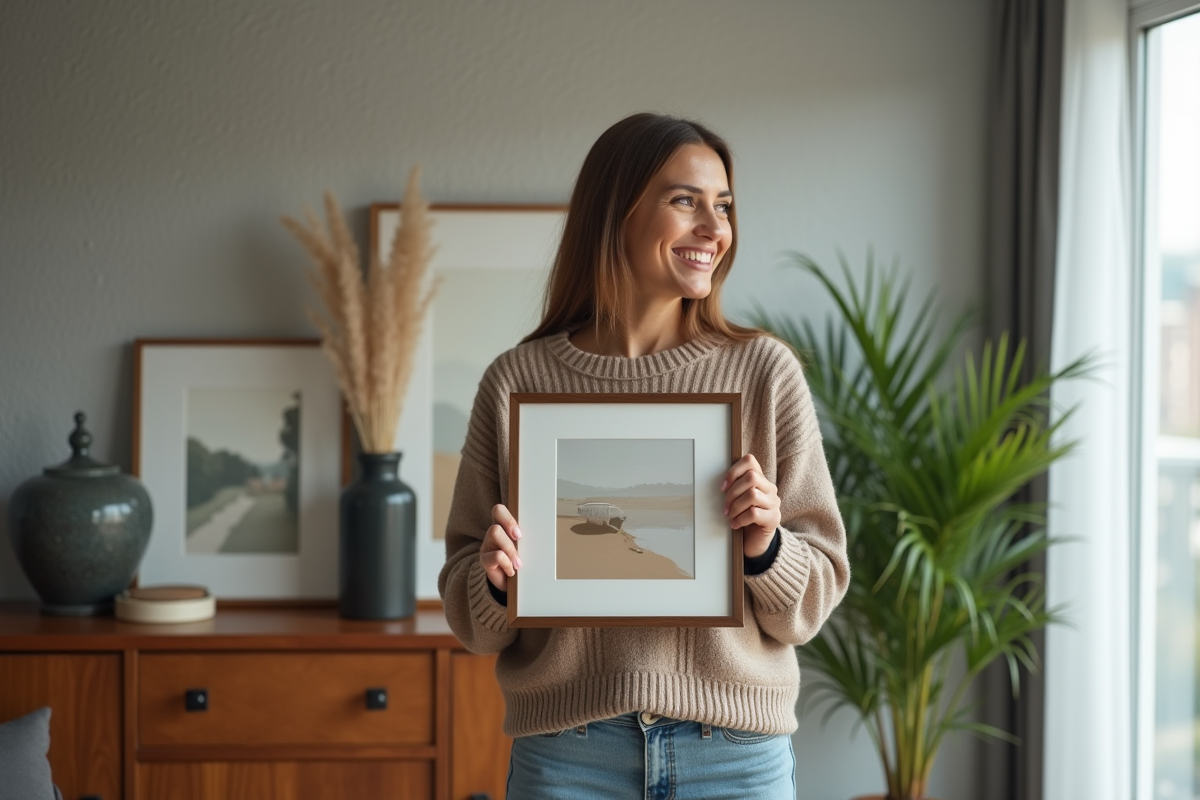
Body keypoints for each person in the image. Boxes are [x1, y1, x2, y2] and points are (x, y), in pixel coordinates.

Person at [438, 113, 850, 800]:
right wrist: (499, 580)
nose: (715, 229)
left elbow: (809, 605)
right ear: (615, 212)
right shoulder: (517, 381)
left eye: (723, 207)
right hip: (569, 753)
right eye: (685, 200)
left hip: (735, 754)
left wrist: (766, 547)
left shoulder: (764, 373)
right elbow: (468, 612)